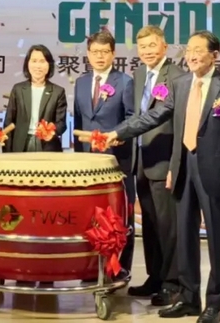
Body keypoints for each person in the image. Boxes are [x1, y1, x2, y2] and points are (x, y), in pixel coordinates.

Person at [81, 31, 220, 323]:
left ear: (215, 55)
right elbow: (153, 116)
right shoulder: (182, 84)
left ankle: (215, 305)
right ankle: (188, 298)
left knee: (217, 240)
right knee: (184, 237)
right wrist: (116, 133)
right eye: (189, 50)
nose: (192, 55)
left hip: (214, 172)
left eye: (199, 50)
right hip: (184, 167)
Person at [128, 25, 185, 307]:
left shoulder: (177, 76)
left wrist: (176, 164)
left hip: (164, 162)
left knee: (167, 225)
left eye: (152, 45)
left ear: (164, 46)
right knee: (149, 224)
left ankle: (172, 283)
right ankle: (155, 276)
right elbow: (138, 116)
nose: (147, 51)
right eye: (143, 47)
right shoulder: (139, 74)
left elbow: (179, 126)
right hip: (141, 160)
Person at [73, 30, 135, 281]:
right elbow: (79, 120)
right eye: (95, 52)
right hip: (87, 162)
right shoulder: (81, 82)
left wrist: (118, 135)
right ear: (88, 54)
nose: (100, 56)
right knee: (90, 213)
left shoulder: (125, 82)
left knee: (119, 215)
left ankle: (120, 269)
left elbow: (132, 118)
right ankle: (90, 268)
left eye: (105, 52)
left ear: (113, 54)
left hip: (116, 158)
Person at [3, 44, 67, 152]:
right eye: (34, 61)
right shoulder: (18, 89)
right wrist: (7, 152)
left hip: (47, 146)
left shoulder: (58, 92)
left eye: (42, 61)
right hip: (21, 145)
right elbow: (8, 122)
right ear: (27, 64)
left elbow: (61, 123)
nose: (38, 66)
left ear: (49, 65)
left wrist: (52, 131)